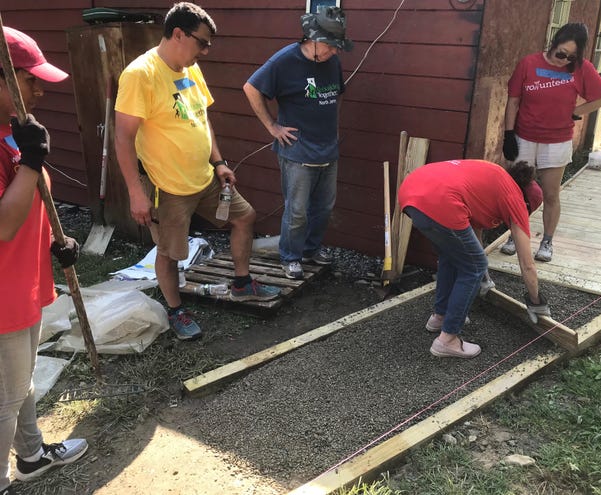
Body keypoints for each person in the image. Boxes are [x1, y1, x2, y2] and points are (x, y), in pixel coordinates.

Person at [115, 2, 280, 341]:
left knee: (244, 217)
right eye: (202, 42)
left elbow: (201, 119)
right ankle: (176, 310)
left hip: (204, 178)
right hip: (168, 186)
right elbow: (123, 138)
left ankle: (241, 282)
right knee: (170, 253)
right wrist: (135, 192)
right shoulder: (140, 75)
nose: (205, 50)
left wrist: (218, 162)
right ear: (178, 34)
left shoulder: (190, 68)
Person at [0, 27, 88, 495]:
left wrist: (56, 241)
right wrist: (32, 162)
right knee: (4, 397)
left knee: (19, 383)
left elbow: (28, 205)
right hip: (1, 296)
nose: (37, 90)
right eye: (27, 79)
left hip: (20, 284)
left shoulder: (11, 133)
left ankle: (31, 457)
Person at [398, 159, 550, 359]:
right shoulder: (514, 197)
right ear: (526, 204)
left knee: (450, 255)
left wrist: (484, 278)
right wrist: (536, 301)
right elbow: (527, 264)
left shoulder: (494, 179)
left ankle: (440, 317)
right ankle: (448, 339)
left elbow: (469, 239)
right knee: (475, 266)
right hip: (440, 199)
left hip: (412, 191)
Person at [242, 6, 353, 280]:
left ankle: (310, 250)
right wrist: (272, 126)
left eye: (337, 47)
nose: (335, 52)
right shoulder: (285, 61)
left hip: (328, 148)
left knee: (324, 207)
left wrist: (334, 127)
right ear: (312, 39)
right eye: (330, 46)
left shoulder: (332, 62)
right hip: (298, 151)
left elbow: (337, 95)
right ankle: (290, 256)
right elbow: (251, 88)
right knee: (298, 210)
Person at [501, 22, 601, 261]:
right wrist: (509, 134)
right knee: (518, 192)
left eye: (571, 57)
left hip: (557, 140)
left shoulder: (582, 69)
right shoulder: (528, 63)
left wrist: (578, 110)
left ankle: (547, 242)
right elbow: (513, 101)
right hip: (525, 137)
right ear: (553, 44)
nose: (564, 60)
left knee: (551, 194)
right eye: (561, 54)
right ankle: (515, 236)